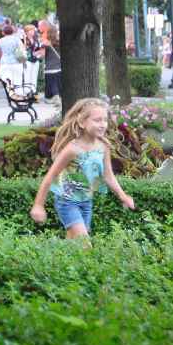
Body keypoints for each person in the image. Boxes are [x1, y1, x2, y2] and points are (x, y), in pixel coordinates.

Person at [29, 98, 136, 241]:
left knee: (74, 245)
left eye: (105, 120)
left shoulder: (103, 146)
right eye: (97, 120)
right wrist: (38, 205)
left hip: (86, 202)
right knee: (84, 244)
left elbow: (108, 175)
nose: (103, 124)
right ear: (81, 123)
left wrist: (123, 196)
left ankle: (55, 260)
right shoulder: (72, 149)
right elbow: (50, 177)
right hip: (67, 202)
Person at [42, 27, 63, 105]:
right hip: (58, 67)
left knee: (51, 83)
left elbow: (42, 55)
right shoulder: (59, 42)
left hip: (49, 67)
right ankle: (57, 96)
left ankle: (55, 96)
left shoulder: (45, 44)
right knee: (57, 82)